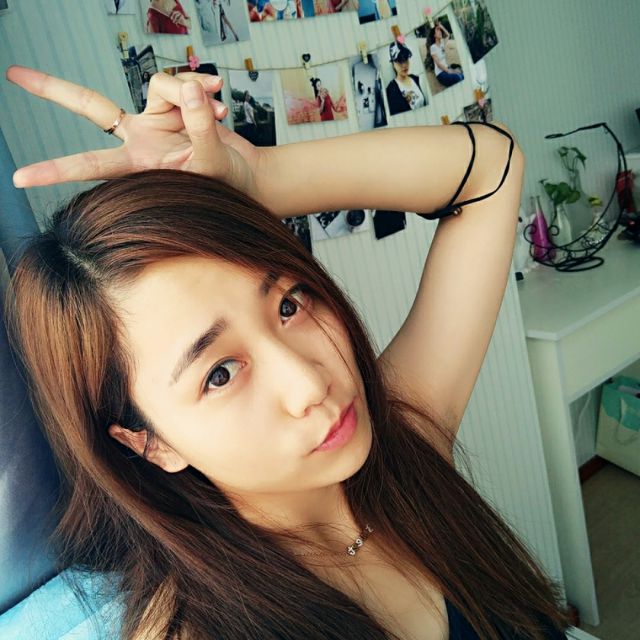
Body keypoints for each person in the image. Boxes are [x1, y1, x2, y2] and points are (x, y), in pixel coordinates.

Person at [4, 64, 573, 640]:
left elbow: (492, 167)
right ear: (149, 442)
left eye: (288, 305)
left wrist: (259, 179)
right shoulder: (195, 629)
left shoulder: (404, 452)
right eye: (220, 374)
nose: (310, 384)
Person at [385, 41, 427, 115]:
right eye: (399, 60)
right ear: (393, 64)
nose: (404, 65)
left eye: (406, 58)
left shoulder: (416, 78)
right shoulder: (391, 90)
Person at [429, 20, 464, 88]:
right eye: (437, 30)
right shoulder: (433, 47)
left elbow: (448, 35)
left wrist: (441, 26)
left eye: (440, 30)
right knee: (459, 77)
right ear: (434, 35)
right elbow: (438, 64)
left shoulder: (442, 43)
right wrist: (451, 71)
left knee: (461, 73)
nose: (440, 32)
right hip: (441, 74)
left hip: (447, 68)